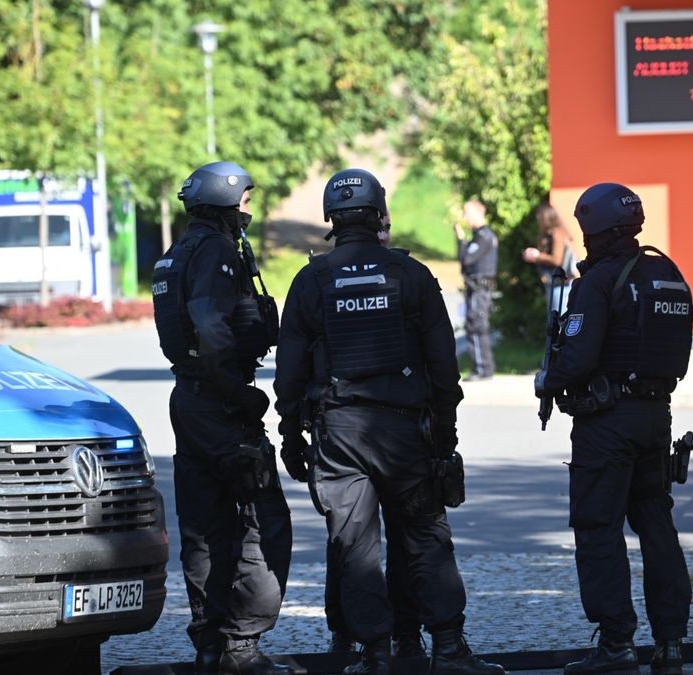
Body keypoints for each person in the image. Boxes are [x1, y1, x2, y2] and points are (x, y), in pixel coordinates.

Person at [274, 168, 504, 675]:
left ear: (331, 218)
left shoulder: (311, 279)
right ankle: (447, 648)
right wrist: (446, 429)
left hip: (338, 434)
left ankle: (374, 655)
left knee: (354, 546)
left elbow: (288, 372)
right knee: (425, 536)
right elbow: (444, 363)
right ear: (379, 214)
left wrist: (290, 436)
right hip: (404, 430)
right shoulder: (410, 275)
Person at [535, 183, 693, 675]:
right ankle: (670, 643)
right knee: (656, 525)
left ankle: (616, 646)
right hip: (655, 416)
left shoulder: (599, 280)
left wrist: (548, 379)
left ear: (595, 228)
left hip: (607, 422)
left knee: (598, 528)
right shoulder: (665, 271)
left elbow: (577, 357)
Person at [151, 161, 294, 675]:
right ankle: (242, 647)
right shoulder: (214, 251)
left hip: (189, 401)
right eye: (246, 199)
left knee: (205, 526)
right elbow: (212, 329)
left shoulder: (177, 253)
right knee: (264, 522)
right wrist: (239, 395)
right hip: (220, 403)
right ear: (227, 201)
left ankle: (210, 645)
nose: (250, 209)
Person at [322, 208, 425, 660]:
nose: (383, 235)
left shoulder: (318, 277)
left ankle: (399, 636)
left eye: (388, 228)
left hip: (375, 423)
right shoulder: (407, 274)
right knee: (355, 541)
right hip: (374, 423)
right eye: (380, 226)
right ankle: (360, 636)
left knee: (395, 537)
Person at [453, 199, 497, 381]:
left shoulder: (484, 236)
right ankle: (481, 367)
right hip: (475, 288)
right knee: (474, 325)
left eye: (467, 213)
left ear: (478, 213)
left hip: (480, 289)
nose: (465, 217)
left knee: (477, 325)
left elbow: (467, 259)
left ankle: (483, 368)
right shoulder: (479, 236)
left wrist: (461, 240)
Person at [522, 202, 578, 313]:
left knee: (558, 320)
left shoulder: (557, 233)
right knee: (554, 319)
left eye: (540, 218)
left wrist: (537, 256)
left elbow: (557, 259)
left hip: (561, 284)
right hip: (554, 283)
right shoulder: (548, 234)